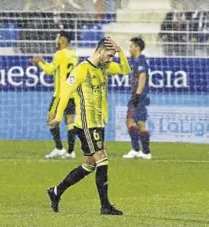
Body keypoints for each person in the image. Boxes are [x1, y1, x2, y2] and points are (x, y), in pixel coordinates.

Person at [47, 37, 131, 215]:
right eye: (109, 55)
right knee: (102, 158)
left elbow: (125, 70)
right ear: (100, 51)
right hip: (86, 123)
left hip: (98, 123)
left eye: (113, 56)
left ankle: (56, 191)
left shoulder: (103, 67)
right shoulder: (81, 69)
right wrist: (58, 116)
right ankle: (105, 206)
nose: (111, 59)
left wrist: (120, 51)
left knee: (90, 163)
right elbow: (65, 94)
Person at [30, 31, 78, 159]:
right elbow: (59, 67)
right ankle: (71, 152)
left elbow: (49, 70)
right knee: (70, 121)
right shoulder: (73, 54)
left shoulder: (59, 54)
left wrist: (39, 62)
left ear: (63, 39)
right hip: (72, 93)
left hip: (60, 94)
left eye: (58, 38)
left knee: (50, 119)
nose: (57, 40)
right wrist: (45, 61)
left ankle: (59, 148)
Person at [123, 37, 151, 159]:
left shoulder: (141, 61)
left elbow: (143, 77)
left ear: (137, 47)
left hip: (138, 97)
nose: (130, 49)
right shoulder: (138, 61)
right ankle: (141, 151)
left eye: (131, 46)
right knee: (135, 122)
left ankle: (141, 151)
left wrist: (137, 94)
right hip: (138, 96)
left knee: (135, 121)